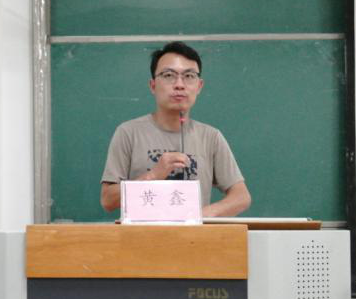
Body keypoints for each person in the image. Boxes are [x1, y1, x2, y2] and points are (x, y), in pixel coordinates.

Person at [100, 41, 251, 217]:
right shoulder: (128, 133)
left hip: (194, 234)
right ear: (153, 85)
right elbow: (108, 200)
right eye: (169, 75)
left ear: (199, 86)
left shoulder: (211, 137)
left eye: (189, 76)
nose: (179, 84)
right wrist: (153, 175)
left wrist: (199, 215)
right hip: (142, 234)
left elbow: (241, 197)